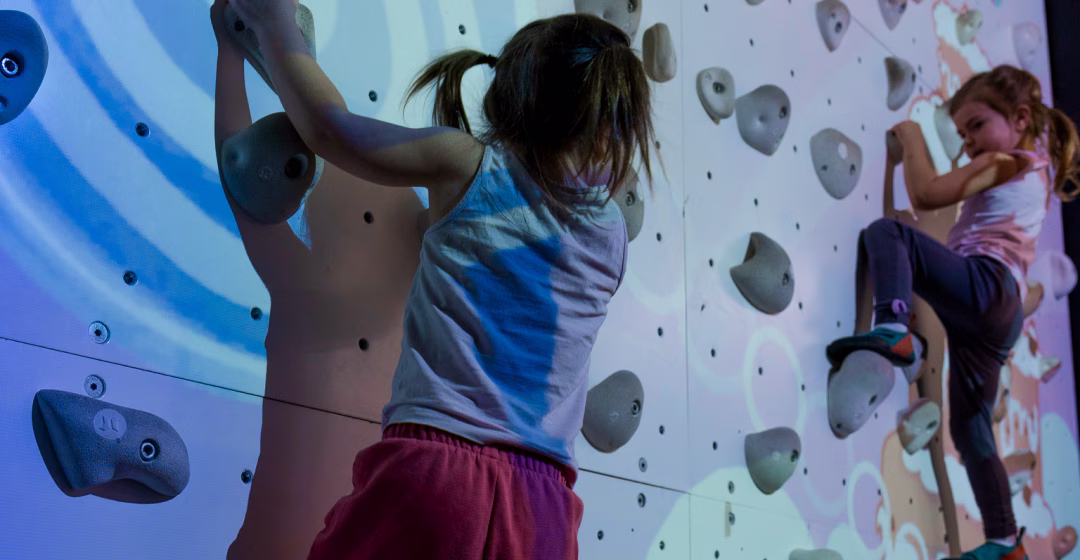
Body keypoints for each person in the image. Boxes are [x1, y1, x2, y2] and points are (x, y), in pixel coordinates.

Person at [215, 0, 657, 558]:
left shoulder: (468, 164)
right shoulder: (611, 235)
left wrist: (276, 29)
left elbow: (331, 130)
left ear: (515, 98)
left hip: (439, 470)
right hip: (545, 506)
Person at [827, 65, 1079, 560]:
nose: (968, 143)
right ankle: (1007, 543)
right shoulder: (1035, 169)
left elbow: (925, 195)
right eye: (961, 135)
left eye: (976, 126)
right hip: (996, 318)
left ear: (1021, 117)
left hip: (990, 287)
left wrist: (914, 139)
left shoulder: (1009, 161)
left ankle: (894, 326)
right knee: (969, 428)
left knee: (890, 234)